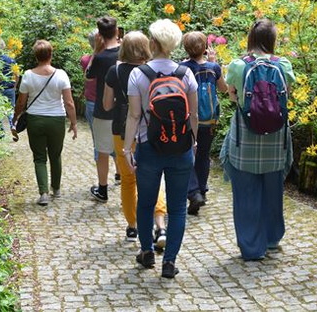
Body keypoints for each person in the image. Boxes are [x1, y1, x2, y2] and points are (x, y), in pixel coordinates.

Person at [124, 19, 198, 279]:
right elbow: (193, 115)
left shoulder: (138, 74)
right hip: (180, 148)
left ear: (153, 43)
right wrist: (194, 142)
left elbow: (133, 116)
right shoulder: (185, 74)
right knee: (177, 208)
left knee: (145, 203)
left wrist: (126, 148)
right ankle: (169, 262)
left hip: (149, 147)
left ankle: (146, 252)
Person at [220, 18, 295, 261]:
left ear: (251, 39)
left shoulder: (238, 65)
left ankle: (252, 248)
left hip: (245, 138)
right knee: (273, 191)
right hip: (276, 140)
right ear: (271, 40)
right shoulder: (283, 65)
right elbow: (286, 96)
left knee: (246, 192)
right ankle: (272, 240)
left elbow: (233, 97)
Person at [101, 31, 168, 243]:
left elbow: (106, 105)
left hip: (121, 130)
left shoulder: (115, 71)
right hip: (151, 129)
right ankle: (160, 225)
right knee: (153, 176)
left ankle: (132, 226)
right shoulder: (151, 69)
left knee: (128, 180)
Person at [12, 40, 78, 206]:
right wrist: (74, 122)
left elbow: (21, 103)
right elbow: (69, 102)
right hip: (56, 119)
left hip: (35, 120)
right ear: (51, 55)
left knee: (39, 158)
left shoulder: (28, 75)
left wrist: (15, 118)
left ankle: (43, 194)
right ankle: (56, 189)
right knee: (55, 155)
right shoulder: (61, 74)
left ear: (36, 56)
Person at [180, 31, 230, 215]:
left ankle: (193, 193)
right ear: (205, 48)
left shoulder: (182, 68)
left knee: (186, 155)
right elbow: (223, 89)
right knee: (203, 155)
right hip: (209, 119)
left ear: (185, 48)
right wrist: (215, 63)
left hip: (188, 118)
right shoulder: (213, 68)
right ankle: (201, 190)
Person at [87, 15, 121, 202]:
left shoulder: (99, 58)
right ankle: (128, 183)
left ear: (99, 34)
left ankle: (103, 189)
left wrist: (95, 51)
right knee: (125, 149)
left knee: (102, 151)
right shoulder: (125, 53)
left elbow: (89, 75)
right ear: (116, 31)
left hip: (103, 110)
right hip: (124, 109)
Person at [0, 41, 19, 130]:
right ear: (4, 47)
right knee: (10, 109)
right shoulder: (11, 60)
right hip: (10, 88)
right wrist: (15, 86)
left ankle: (0, 132)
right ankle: (12, 125)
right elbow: (17, 74)